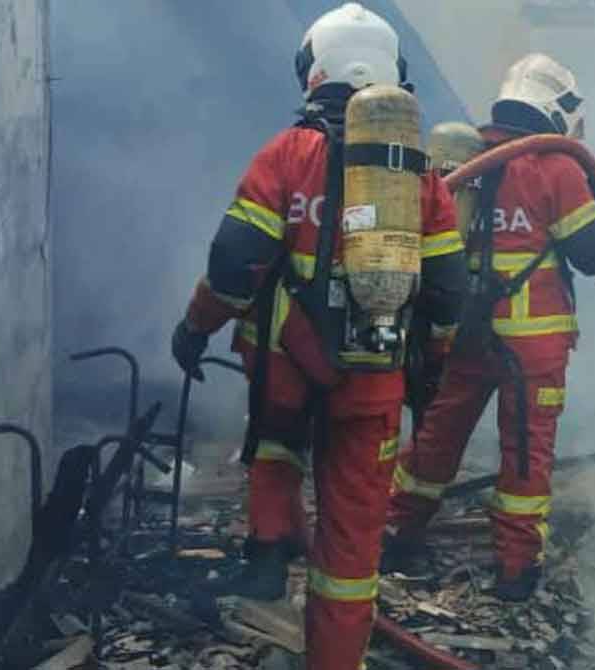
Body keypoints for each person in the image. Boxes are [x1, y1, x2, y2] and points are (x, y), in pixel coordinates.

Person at [170, 4, 466, 667]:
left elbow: (233, 267)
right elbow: (448, 290)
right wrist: (432, 366)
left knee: (276, 439)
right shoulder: (418, 176)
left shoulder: (286, 156)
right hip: (373, 382)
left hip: (287, 366)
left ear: (315, 71)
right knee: (352, 545)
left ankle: (268, 547)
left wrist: (195, 328)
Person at [385, 53, 595, 602]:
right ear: (558, 111)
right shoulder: (555, 168)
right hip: (532, 345)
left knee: (438, 436)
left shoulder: (470, 157)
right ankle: (516, 570)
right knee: (524, 454)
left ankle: (396, 533)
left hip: (469, 332)